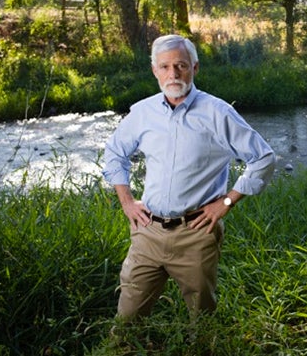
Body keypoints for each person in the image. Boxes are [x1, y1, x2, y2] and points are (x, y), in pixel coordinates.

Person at [101, 34, 275, 319]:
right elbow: (114, 152)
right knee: (127, 319)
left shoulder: (218, 113)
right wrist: (127, 201)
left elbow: (263, 157)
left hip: (196, 233)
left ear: (195, 68)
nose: (173, 73)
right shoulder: (142, 113)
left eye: (181, 65)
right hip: (148, 232)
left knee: (202, 319)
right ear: (155, 70)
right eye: (165, 66)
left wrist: (227, 202)